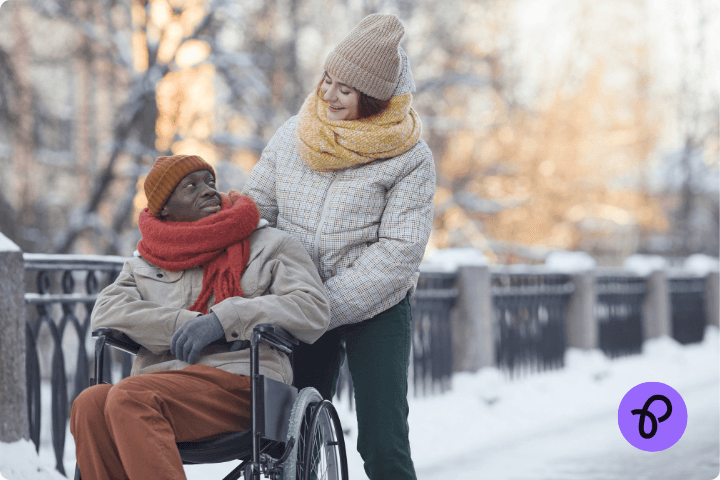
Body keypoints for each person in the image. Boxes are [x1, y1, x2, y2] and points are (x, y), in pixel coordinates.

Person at [242, 13, 435, 480]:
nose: (328, 95)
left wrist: (320, 306)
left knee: (383, 443)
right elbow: (255, 208)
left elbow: (398, 253)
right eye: (327, 80)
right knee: (283, 436)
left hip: (377, 306)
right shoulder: (295, 134)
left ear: (372, 99)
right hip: (299, 296)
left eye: (345, 90)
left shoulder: (410, 158)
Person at [70, 154, 330, 480]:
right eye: (190, 186)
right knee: (90, 404)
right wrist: (184, 324)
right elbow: (107, 311)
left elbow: (313, 308)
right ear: (164, 207)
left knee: (129, 398)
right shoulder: (146, 263)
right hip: (160, 391)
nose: (207, 190)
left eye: (209, 182)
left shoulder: (268, 245)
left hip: (243, 388)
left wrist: (225, 318)